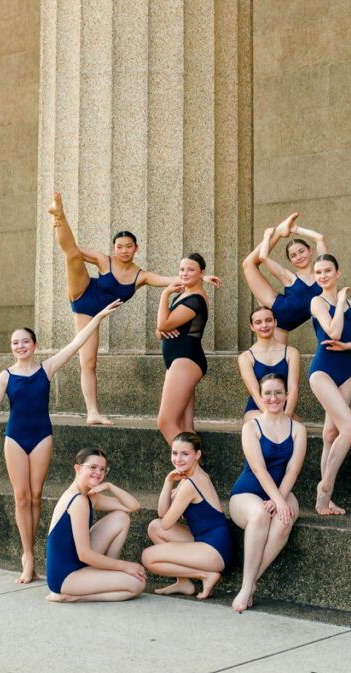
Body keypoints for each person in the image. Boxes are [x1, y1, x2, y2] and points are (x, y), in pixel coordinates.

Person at [0, 301, 120, 583]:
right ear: (11, 347)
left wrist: (98, 315)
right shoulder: (5, 376)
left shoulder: (47, 368)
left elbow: (76, 343)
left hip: (41, 437)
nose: (20, 346)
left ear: (35, 344)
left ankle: (34, 552)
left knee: (36, 496)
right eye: (15, 343)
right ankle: (28, 555)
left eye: (25, 341)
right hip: (15, 438)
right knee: (21, 497)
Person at [47, 192, 220, 425]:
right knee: (73, 256)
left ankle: (93, 413)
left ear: (136, 248)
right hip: (84, 298)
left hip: (101, 311)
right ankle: (60, 213)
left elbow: (172, 280)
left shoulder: (142, 276)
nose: (124, 250)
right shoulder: (102, 260)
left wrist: (202, 277)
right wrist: (60, 225)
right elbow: (71, 246)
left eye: (129, 246)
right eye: (119, 247)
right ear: (114, 248)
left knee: (91, 362)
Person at [229, 373, 307, 613]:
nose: (273, 398)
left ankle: (250, 583)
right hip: (247, 492)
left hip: (281, 490)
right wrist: (277, 500)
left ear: (286, 395)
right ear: (260, 397)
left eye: (278, 393)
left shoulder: (298, 429)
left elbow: (293, 470)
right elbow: (258, 469)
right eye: (267, 393)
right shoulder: (251, 427)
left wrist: (281, 500)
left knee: (285, 520)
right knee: (261, 516)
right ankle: (246, 586)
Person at [308, 254, 351, 515]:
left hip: (345, 372)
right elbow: (332, 332)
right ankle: (324, 487)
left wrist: (349, 345)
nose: (323, 276)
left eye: (327, 271)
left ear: (338, 273)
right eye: (318, 272)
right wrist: (341, 301)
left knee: (331, 434)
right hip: (323, 371)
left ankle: (325, 500)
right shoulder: (317, 301)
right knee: (350, 428)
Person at [44, 447, 147, 602]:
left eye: (103, 469)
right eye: (92, 467)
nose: (98, 473)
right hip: (65, 576)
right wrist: (125, 566)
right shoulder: (77, 501)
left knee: (121, 517)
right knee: (137, 584)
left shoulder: (89, 497)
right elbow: (84, 554)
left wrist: (110, 486)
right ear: (77, 469)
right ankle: (72, 597)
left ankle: (108, 574)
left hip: (78, 564)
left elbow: (133, 506)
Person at [141, 432, 233, 599]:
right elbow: (162, 513)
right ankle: (183, 582)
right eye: (175, 453)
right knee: (154, 527)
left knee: (148, 558)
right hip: (205, 540)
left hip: (215, 550)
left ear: (197, 455)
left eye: (185, 454)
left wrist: (171, 487)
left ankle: (205, 575)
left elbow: (167, 522)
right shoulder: (188, 477)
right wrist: (168, 482)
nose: (178, 459)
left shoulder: (192, 483)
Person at [241, 212, 327, 343]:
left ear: (310, 251)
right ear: (291, 261)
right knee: (248, 264)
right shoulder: (289, 276)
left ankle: (282, 230)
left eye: (301, 251)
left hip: (284, 326)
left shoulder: (321, 271)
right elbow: (263, 257)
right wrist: (267, 236)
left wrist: (296, 229)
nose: (299, 257)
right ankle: (279, 232)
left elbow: (320, 238)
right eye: (293, 255)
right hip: (275, 308)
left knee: (279, 359)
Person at [156, 253, 210, 444]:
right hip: (179, 361)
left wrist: (164, 294)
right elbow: (160, 331)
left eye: (190, 269)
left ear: (202, 273)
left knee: (166, 422)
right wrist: (163, 327)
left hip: (186, 360)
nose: (184, 273)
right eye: (182, 269)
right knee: (186, 428)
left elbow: (163, 324)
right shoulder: (184, 294)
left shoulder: (196, 298)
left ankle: (190, 470)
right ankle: (194, 469)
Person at [237, 305, 300, 421]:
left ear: (275, 323)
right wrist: (272, 417)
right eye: (258, 322)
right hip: (257, 409)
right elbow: (255, 392)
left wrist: (288, 413)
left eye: (268, 320)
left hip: (284, 408)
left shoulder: (291, 353)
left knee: (298, 426)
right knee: (263, 422)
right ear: (252, 327)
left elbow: (293, 388)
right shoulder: (245, 357)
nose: (264, 325)